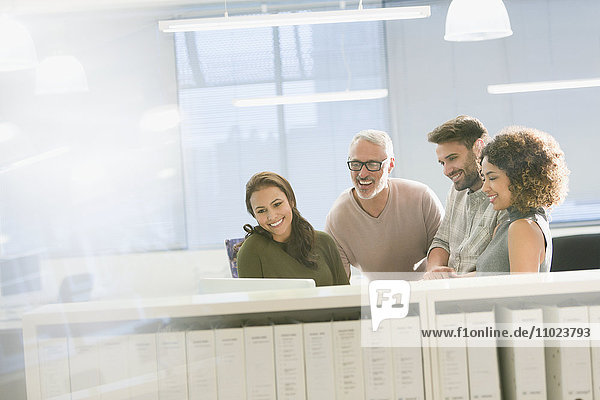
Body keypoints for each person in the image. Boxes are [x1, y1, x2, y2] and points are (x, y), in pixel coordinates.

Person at [325, 129, 443, 277]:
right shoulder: (338, 216)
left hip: (426, 291)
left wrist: (432, 277)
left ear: (391, 164)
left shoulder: (421, 198)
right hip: (375, 296)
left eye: (372, 164)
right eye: (356, 164)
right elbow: (339, 281)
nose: (362, 174)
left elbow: (443, 246)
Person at [477, 126, 569, 274]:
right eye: (484, 178)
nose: (485, 188)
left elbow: (522, 295)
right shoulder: (508, 224)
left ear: (519, 178)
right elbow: (490, 275)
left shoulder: (523, 227)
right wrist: (452, 278)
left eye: (492, 178)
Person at [425, 116, 507, 278]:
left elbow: (503, 268)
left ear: (478, 147)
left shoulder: (504, 197)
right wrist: (434, 271)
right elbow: (442, 241)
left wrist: (453, 282)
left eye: (452, 158)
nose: (447, 171)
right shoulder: (456, 191)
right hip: (451, 290)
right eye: (442, 163)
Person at [237, 171, 349, 286]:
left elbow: (346, 296)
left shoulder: (325, 242)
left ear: (291, 201)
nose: (272, 216)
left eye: (277, 204)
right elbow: (252, 303)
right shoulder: (252, 250)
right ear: (254, 215)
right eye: (261, 211)